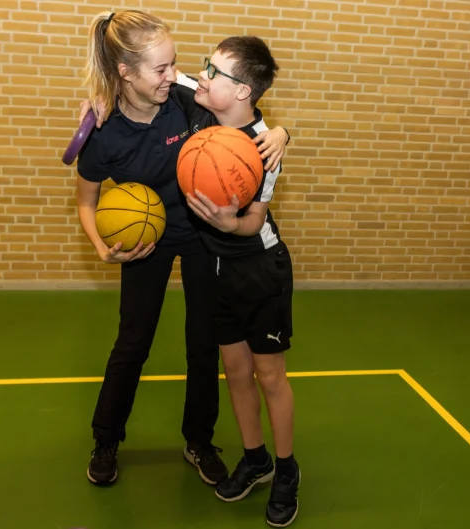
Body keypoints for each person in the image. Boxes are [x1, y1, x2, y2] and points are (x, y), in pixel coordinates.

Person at [74, 10, 290, 488]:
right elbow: (86, 200)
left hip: (201, 236)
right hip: (145, 240)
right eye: (162, 68)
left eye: (174, 65)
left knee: (202, 345)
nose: (174, 74)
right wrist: (101, 247)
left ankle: (199, 440)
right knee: (133, 342)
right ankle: (106, 439)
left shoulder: (184, 96)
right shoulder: (104, 130)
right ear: (124, 72)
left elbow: (246, 108)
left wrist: (280, 132)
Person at [175, 37, 299, 527]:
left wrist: (230, 225)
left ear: (243, 91)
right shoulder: (203, 100)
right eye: (205, 66)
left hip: (259, 268)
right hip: (217, 271)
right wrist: (99, 96)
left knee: (270, 376)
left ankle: (287, 471)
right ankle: (256, 458)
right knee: (235, 371)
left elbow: (252, 223)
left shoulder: (264, 148)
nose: (200, 75)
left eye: (214, 71)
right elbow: (153, 76)